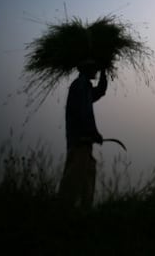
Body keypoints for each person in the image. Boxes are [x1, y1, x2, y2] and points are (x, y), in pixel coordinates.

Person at [58, 59, 107, 209]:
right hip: (80, 140)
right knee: (73, 181)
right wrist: (94, 133)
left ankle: (83, 215)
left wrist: (105, 74)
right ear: (87, 68)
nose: (96, 71)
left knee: (87, 178)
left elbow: (99, 92)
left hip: (83, 142)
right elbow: (84, 113)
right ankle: (62, 214)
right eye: (95, 68)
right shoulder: (80, 86)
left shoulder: (84, 86)